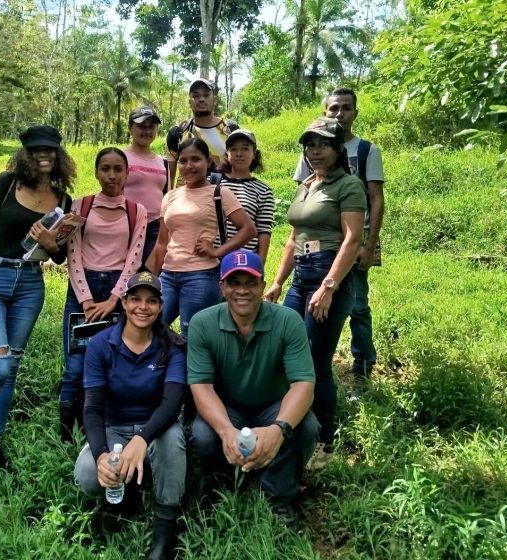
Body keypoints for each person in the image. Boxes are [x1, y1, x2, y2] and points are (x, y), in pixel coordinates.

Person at [0, 125, 75, 483]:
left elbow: (61, 257)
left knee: (13, 364)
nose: (44, 156)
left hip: (29, 283)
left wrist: (50, 241)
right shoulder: (7, 183)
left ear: (59, 156)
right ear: (26, 154)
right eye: (37, 150)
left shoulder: (63, 199)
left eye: (51, 151)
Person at [188, 249, 319, 530]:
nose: (242, 291)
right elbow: (201, 387)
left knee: (305, 426)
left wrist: (278, 429)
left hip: (271, 404)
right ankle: (223, 485)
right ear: (221, 287)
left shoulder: (288, 321)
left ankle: (277, 495)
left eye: (251, 282)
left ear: (263, 285)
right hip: (228, 408)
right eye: (234, 283)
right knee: (201, 433)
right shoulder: (202, 323)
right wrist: (225, 432)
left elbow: (303, 385)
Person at [265, 117, 366, 470]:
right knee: (286, 351)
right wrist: (278, 283)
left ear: (338, 149)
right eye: (309, 145)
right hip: (302, 276)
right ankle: (292, 424)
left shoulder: (349, 186)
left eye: (322, 144)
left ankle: (324, 439)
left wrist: (328, 287)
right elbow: (293, 238)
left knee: (316, 362)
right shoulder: (307, 184)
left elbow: (353, 239)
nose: (315, 151)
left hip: (329, 276)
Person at [74, 271, 187, 560]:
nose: (142, 307)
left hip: (155, 428)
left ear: (161, 306)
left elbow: (172, 402)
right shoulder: (101, 344)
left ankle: (164, 529)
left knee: (173, 439)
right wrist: (100, 454)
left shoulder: (172, 346)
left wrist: (142, 437)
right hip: (114, 428)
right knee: (88, 476)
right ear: (124, 303)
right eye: (135, 299)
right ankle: (122, 498)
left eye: (151, 301)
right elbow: (92, 407)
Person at [293, 88, 385, 402]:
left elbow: (375, 198)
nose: (339, 114)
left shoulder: (366, 149)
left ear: (355, 113)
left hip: (354, 240)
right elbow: (304, 199)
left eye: (346, 108)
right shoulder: (311, 150)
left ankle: (361, 367)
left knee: (357, 306)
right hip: (316, 248)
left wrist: (369, 245)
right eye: (334, 108)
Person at [59, 147, 148, 443]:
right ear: (96, 172)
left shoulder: (137, 212)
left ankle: (96, 425)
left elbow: (134, 259)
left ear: (127, 173)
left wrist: (114, 299)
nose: (111, 175)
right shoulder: (80, 206)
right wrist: (85, 299)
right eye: (105, 169)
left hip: (117, 291)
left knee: (110, 360)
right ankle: (65, 431)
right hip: (81, 288)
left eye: (117, 169)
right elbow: (73, 254)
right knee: (75, 364)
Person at [148, 137, 256, 339]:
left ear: (208, 162)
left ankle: (193, 370)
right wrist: (153, 279)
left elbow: (248, 229)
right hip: (168, 275)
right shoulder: (170, 196)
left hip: (200, 276)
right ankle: (167, 367)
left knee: (193, 336)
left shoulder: (219, 193)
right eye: (183, 161)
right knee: (150, 327)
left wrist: (217, 251)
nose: (189, 166)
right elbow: (162, 242)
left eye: (195, 159)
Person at [217, 129, 275, 263]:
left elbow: (264, 231)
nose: (239, 154)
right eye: (233, 149)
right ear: (227, 154)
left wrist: (260, 264)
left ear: (254, 153)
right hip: (210, 261)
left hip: (243, 262)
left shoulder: (263, 190)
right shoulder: (212, 182)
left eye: (245, 149)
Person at [165, 78, 238, 186]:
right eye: (196, 96)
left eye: (206, 95)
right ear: (190, 102)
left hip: (224, 196)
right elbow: (168, 179)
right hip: (187, 199)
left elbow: (241, 167)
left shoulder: (230, 129)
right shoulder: (178, 132)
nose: (201, 99)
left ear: (214, 99)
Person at [123, 106, 168, 266]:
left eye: (151, 127)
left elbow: (165, 194)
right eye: (141, 126)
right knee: (125, 271)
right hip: (126, 224)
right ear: (130, 128)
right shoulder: (122, 158)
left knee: (149, 277)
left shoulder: (163, 162)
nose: (146, 131)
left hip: (155, 227)